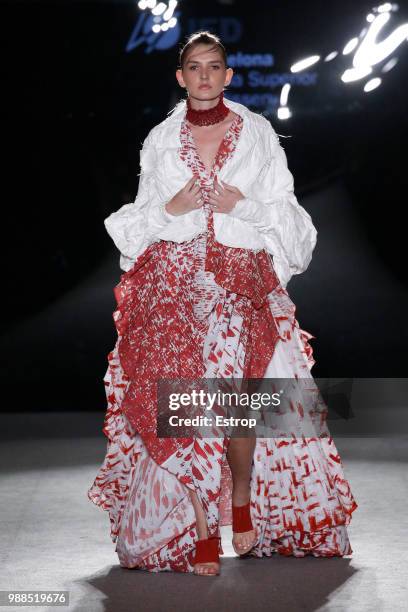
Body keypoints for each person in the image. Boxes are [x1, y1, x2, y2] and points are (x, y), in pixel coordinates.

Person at [88, 31, 358, 577]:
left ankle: (239, 494)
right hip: (175, 283)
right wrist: (173, 205)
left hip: (239, 280)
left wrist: (243, 205)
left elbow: (288, 216)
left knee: (240, 402)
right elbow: (140, 221)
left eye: (215, 66)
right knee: (186, 405)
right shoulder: (160, 140)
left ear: (229, 75)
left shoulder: (258, 134)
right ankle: (202, 526)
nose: (205, 76)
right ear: (181, 76)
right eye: (195, 66)